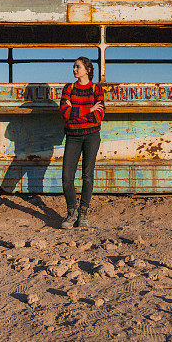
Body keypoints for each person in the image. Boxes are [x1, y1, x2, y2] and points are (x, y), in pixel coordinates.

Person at [59, 56, 105, 229]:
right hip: (73, 136)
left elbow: (99, 115)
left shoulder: (96, 89)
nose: (74, 70)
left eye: (77, 67)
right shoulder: (68, 88)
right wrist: (88, 109)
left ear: (87, 69)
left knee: (87, 175)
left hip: (92, 136)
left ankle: (83, 212)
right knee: (67, 177)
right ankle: (72, 212)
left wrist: (75, 111)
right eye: (73, 67)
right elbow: (64, 112)